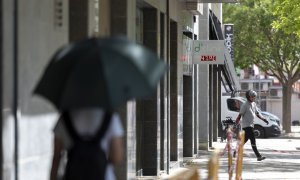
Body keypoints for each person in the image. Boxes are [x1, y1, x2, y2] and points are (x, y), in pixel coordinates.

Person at [50, 108, 124, 180]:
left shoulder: (64, 118)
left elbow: (56, 158)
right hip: (104, 176)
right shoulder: (110, 117)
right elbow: (116, 158)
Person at [235, 90, 268, 161]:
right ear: (248, 97)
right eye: (252, 97)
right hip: (247, 126)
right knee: (253, 140)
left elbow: (257, 113)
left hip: (251, 125)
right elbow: (240, 115)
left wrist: (264, 119)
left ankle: (235, 151)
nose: (253, 98)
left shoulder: (254, 104)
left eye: (254, 97)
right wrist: (236, 122)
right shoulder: (245, 105)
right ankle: (258, 156)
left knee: (244, 140)